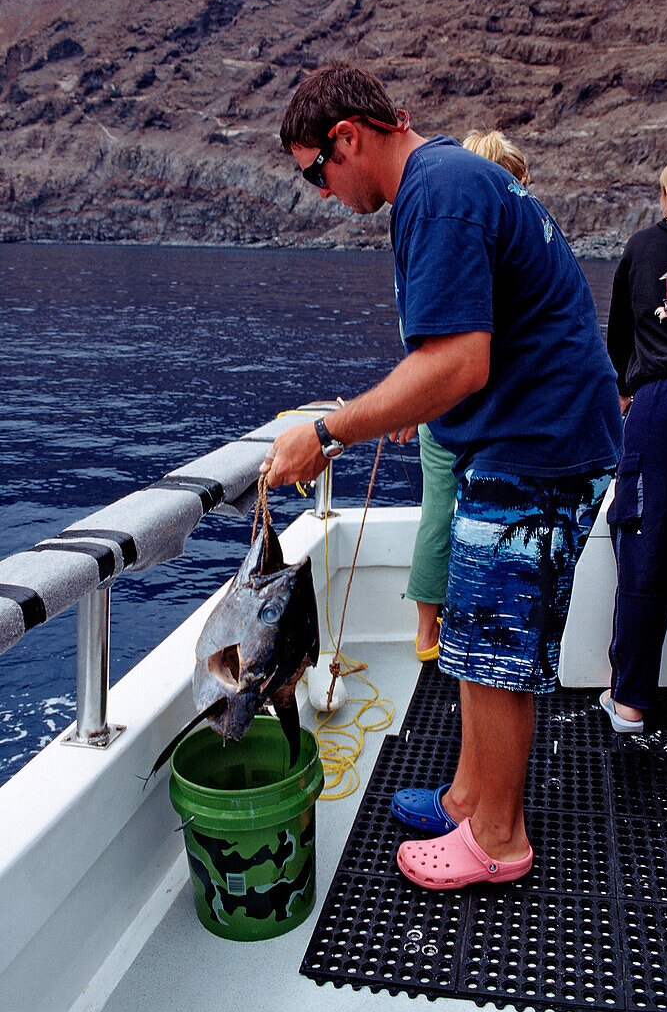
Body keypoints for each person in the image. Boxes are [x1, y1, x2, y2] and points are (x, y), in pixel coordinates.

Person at [261, 61, 623, 889]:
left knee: (496, 648)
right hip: (531, 435)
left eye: (317, 171)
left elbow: (458, 361)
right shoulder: (451, 176)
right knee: (473, 636)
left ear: (348, 138)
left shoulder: (439, 192)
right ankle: (468, 796)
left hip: (539, 444)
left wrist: (325, 434)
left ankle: (497, 839)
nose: (322, 193)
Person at [408, 129, 532, 665]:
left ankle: (425, 633)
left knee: (439, 511)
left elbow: (429, 330)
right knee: (479, 514)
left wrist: (407, 399)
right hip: (483, 413)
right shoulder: (501, 236)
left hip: (438, 410)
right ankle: (470, 630)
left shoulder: (443, 231)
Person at [602, 149, 667, 733]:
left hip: (662, 406)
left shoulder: (644, 248)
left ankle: (632, 703)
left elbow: (619, 339)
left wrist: (624, 391)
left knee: (646, 553)